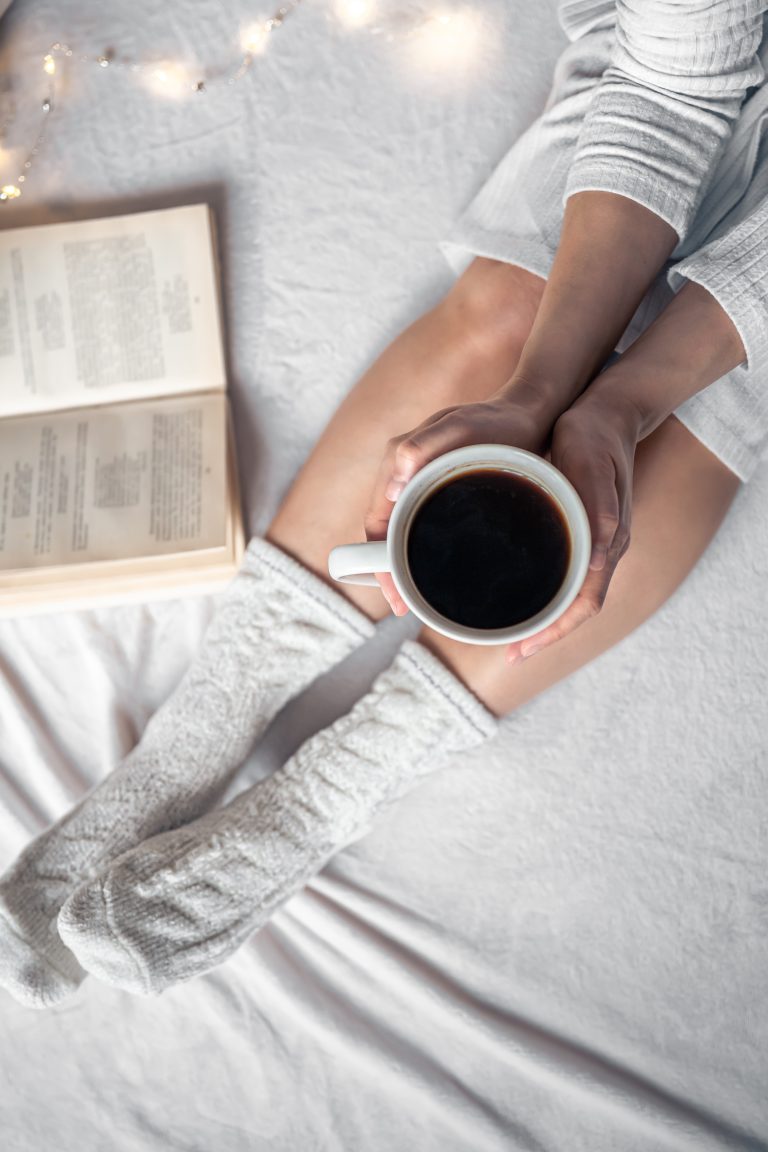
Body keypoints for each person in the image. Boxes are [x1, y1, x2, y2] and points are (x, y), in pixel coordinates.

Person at [1, 0, 767, 1006]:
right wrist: (538, 397)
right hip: (679, 78)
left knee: (685, 436)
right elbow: (675, 84)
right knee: (510, 315)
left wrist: (623, 404)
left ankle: (330, 794)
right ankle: (205, 725)